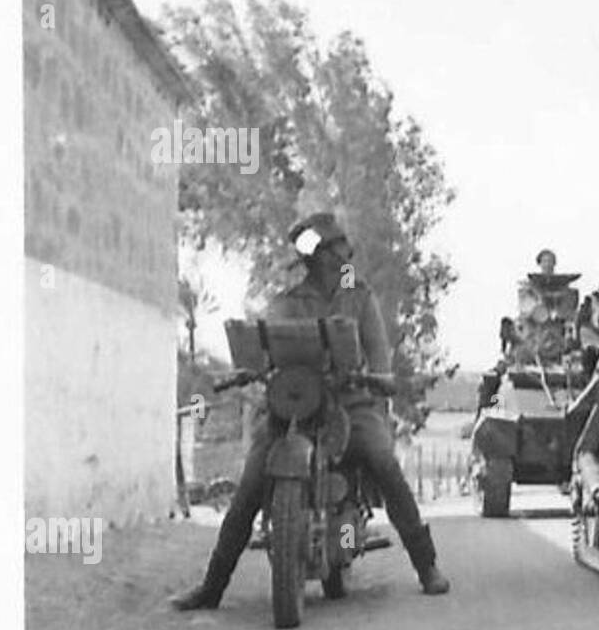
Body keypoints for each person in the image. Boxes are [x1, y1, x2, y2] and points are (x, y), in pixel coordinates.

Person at [171, 211, 450, 608]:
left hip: (353, 406)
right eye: (327, 251)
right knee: (250, 483)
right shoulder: (287, 303)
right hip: (294, 409)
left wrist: (379, 377)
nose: (335, 258)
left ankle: (427, 566)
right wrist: (249, 367)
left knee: (383, 460)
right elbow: (263, 353)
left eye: (337, 250)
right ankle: (212, 587)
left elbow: (379, 356)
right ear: (313, 257)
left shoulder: (361, 297)